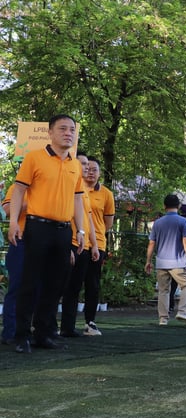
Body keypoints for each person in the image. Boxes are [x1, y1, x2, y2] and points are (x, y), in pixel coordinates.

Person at [8, 114, 86, 353]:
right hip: (37, 227)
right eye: (62, 129)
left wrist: (80, 230)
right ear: (50, 132)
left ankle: (44, 333)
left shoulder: (75, 164)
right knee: (29, 282)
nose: (68, 133)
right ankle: (20, 336)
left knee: (55, 284)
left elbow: (78, 200)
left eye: (72, 129)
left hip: (63, 231)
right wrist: (13, 222)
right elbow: (19, 190)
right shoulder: (34, 158)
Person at [59, 152, 100, 337]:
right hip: (70, 243)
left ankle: (68, 327)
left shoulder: (83, 189)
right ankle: (45, 327)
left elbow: (89, 219)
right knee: (59, 286)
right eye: (82, 163)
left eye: (88, 165)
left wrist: (94, 244)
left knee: (75, 288)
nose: (86, 167)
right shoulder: (67, 184)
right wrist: (68, 244)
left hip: (83, 245)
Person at [145, 194, 186, 327]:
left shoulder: (157, 223)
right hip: (178, 262)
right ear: (179, 206)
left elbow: (151, 243)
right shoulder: (183, 221)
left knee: (163, 290)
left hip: (161, 262)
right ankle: (183, 311)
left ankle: (163, 319)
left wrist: (148, 261)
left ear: (164, 206)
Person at [82, 156, 115, 334]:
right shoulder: (74, 188)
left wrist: (95, 235)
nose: (90, 173)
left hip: (97, 244)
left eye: (94, 169)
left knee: (92, 284)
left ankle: (90, 322)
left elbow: (107, 223)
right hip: (75, 241)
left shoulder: (106, 194)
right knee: (68, 282)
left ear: (100, 173)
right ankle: (62, 324)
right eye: (87, 168)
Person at [1, 183, 27, 345]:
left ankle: (27, 330)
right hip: (20, 241)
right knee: (16, 286)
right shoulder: (16, 188)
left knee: (36, 287)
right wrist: (28, 204)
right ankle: (10, 332)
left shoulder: (51, 188)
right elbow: (6, 211)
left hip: (41, 243)